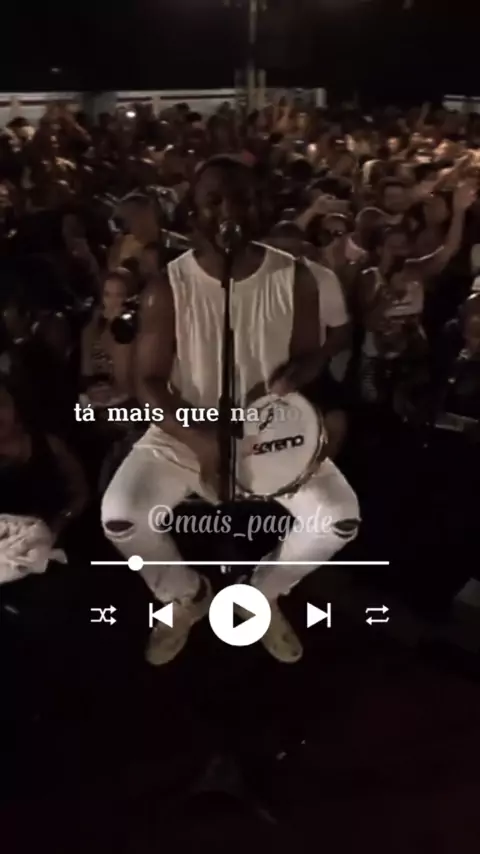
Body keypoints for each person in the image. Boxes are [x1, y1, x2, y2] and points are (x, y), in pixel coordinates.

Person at [102, 156, 360, 667]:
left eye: (240, 199)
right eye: (213, 200)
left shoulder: (297, 278)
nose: (228, 212)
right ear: (193, 210)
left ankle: (263, 592)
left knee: (339, 519)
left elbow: (310, 354)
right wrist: (201, 442)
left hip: (268, 431)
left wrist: (296, 377)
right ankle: (185, 594)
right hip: (184, 430)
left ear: (259, 205)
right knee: (121, 517)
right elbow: (148, 382)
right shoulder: (167, 287)